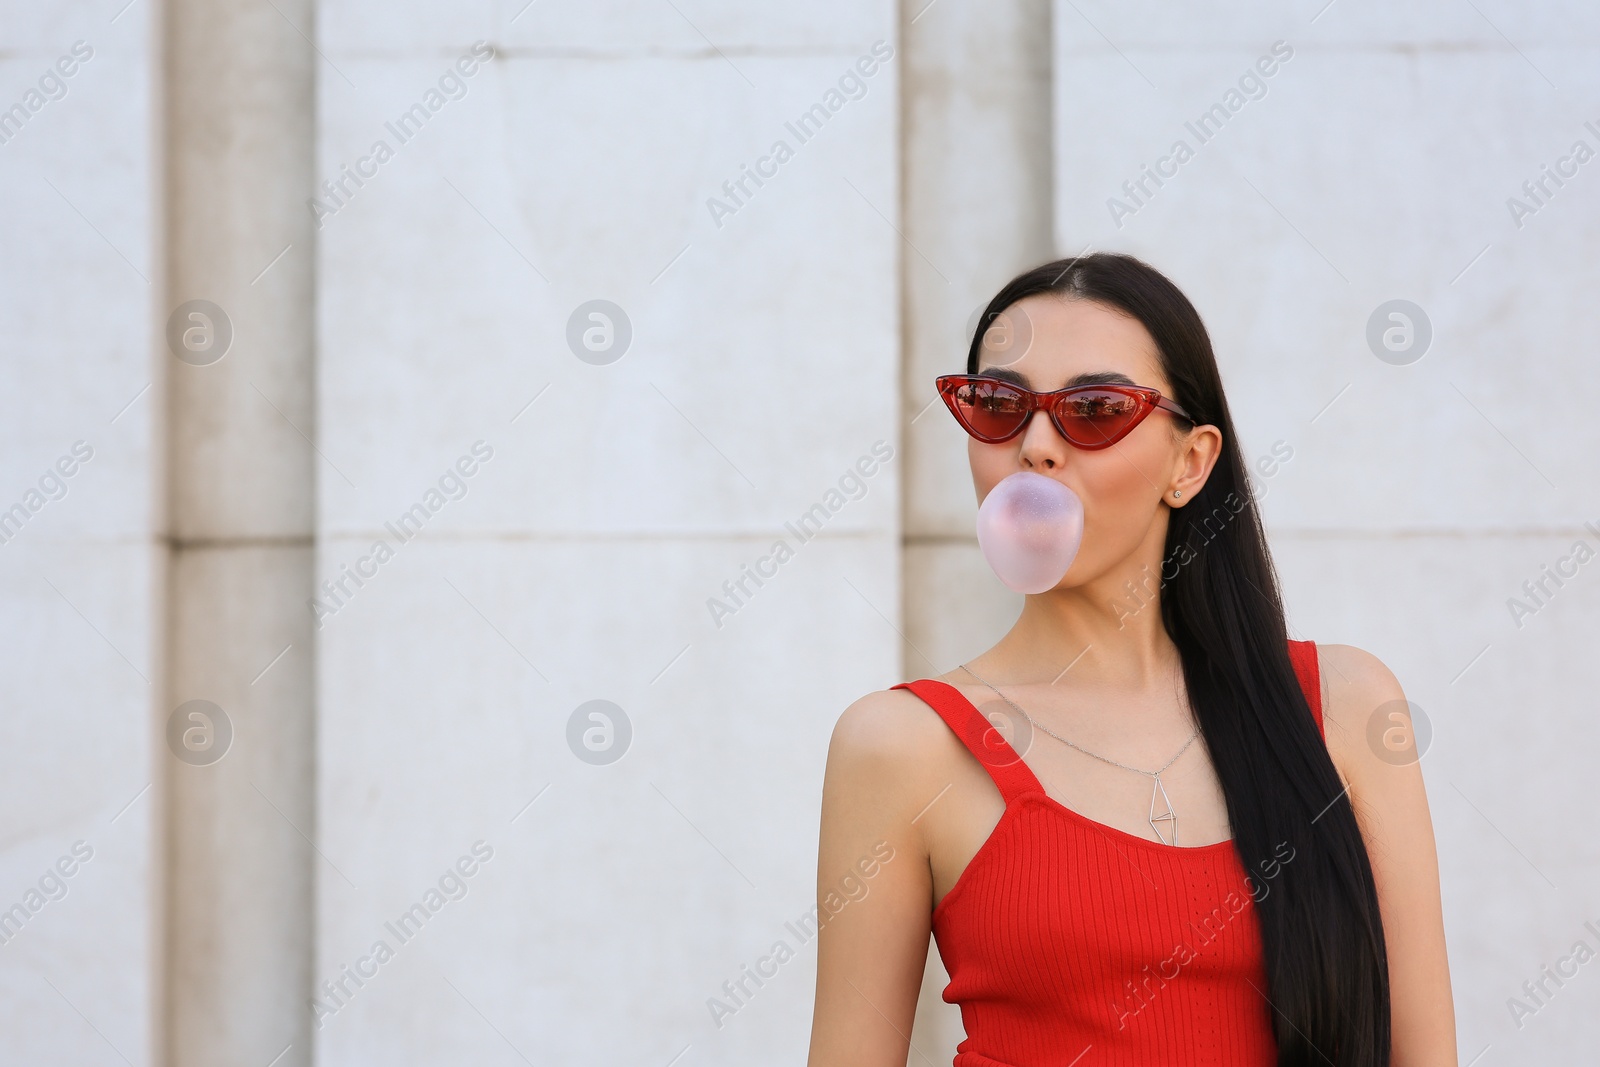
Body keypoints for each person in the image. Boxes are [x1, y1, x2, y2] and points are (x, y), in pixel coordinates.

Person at [805, 254, 1455, 1065]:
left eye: (1097, 408)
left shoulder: (1346, 709)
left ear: (1190, 462)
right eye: (999, 404)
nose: (1036, 446)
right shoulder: (900, 746)